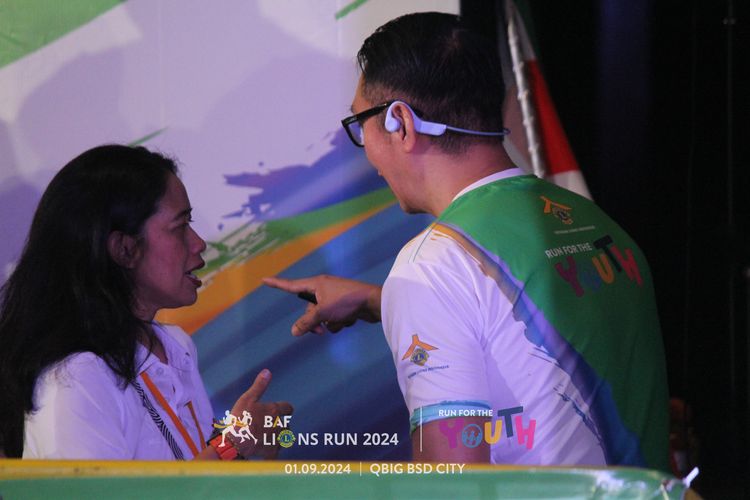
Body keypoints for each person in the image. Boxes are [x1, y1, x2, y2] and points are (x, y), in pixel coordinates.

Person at [264, 12, 669, 470]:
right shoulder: (594, 222)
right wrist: (385, 300)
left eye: (361, 123)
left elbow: (451, 478)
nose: (367, 151)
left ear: (401, 122)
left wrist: (410, 293)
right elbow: (533, 312)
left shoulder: (431, 267)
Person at [0, 144, 292, 460]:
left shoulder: (175, 346)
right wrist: (234, 445)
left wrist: (236, 445)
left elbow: (192, 471)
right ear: (124, 249)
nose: (198, 243)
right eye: (180, 227)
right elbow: (97, 488)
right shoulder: (75, 377)